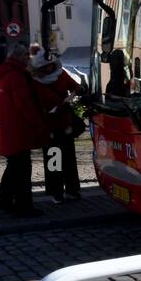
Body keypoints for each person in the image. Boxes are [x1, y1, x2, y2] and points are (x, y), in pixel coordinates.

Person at [0, 43, 47, 217]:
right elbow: (24, 104)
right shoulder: (16, 76)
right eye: (25, 56)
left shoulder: (0, 76)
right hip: (19, 130)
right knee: (22, 170)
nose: (27, 58)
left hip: (6, 128)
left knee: (13, 168)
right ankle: (24, 206)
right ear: (17, 57)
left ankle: (2, 200)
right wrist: (38, 124)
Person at [28, 43, 82, 203]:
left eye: (50, 65)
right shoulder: (35, 82)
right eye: (45, 67)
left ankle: (73, 190)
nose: (49, 69)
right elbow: (33, 104)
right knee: (54, 160)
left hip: (65, 123)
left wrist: (78, 91)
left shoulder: (61, 74)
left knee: (69, 159)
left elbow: (75, 86)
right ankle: (56, 191)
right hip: (49, 125)